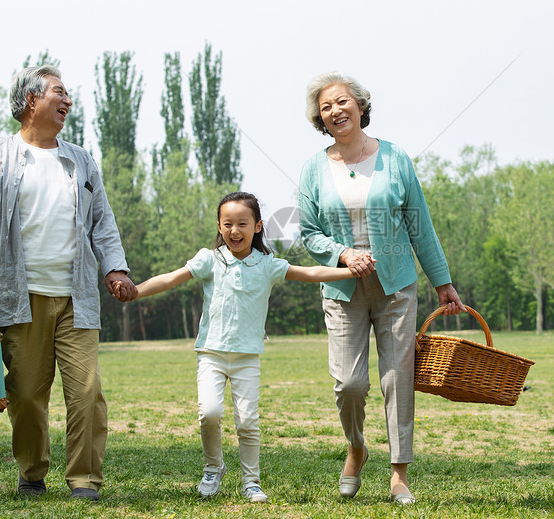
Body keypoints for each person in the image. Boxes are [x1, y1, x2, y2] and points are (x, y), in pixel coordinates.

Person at [114, 191, 371, 503]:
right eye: (227, 224)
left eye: (242, 223)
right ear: (220, 227)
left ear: (258, 226)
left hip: (248, 355)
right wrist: (135, 291)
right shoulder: (209, 260)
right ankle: (213, 468)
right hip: (211, 353)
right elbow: (170, 279)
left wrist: (349, 271)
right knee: (208, 413)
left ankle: (251, 482)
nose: (234, 230)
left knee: (247, 421)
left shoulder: (267, 265)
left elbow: (311, 273)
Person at [0, 65, 138, 502]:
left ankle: (84, 480)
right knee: (24, 393)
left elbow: (102, 221)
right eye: (59, 92)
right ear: (29, 102)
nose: (68, 101)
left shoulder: (80, 159)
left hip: (76, 296)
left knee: (87, 392)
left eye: (68, 94)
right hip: (21, 298)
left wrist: (115, 268)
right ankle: (32, 472)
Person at [298, 71, 465, 505]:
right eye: (326, 107)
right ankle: (356, 448)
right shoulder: (314, 168)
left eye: (342, 101)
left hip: (395, 287)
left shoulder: (395, 158)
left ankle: (399, 475)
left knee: (397, 380)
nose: (335, 111)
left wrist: (442, 283)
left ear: (360, 105)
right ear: (321, 118)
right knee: (349, 383)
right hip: (342, 290)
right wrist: (343, 254)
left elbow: (420, 227)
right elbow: (309, 233)